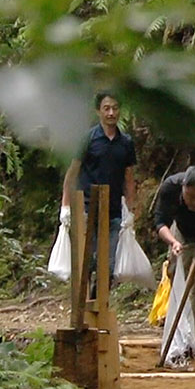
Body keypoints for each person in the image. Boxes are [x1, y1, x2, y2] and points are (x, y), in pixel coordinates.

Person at [61, 91, 136, 293]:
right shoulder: (88, 139)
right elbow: (72, 172)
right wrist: (65, 206)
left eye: (115, 108)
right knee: (89, 259)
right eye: (106, 108)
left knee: (109, 264)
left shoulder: (126, 143)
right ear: (98, 111)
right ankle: (83, 307)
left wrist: (130, 210)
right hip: (87, 208)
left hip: (113, 211)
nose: (111, 113)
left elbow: (129, 178)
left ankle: (98, 303)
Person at [155, 165, 195, 356]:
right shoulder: (170, 188)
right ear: (183, 187)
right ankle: (179, 331)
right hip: (180, 231)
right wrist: (173, 242)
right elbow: (160, 222)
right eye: (190, 197)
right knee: (176, 276)